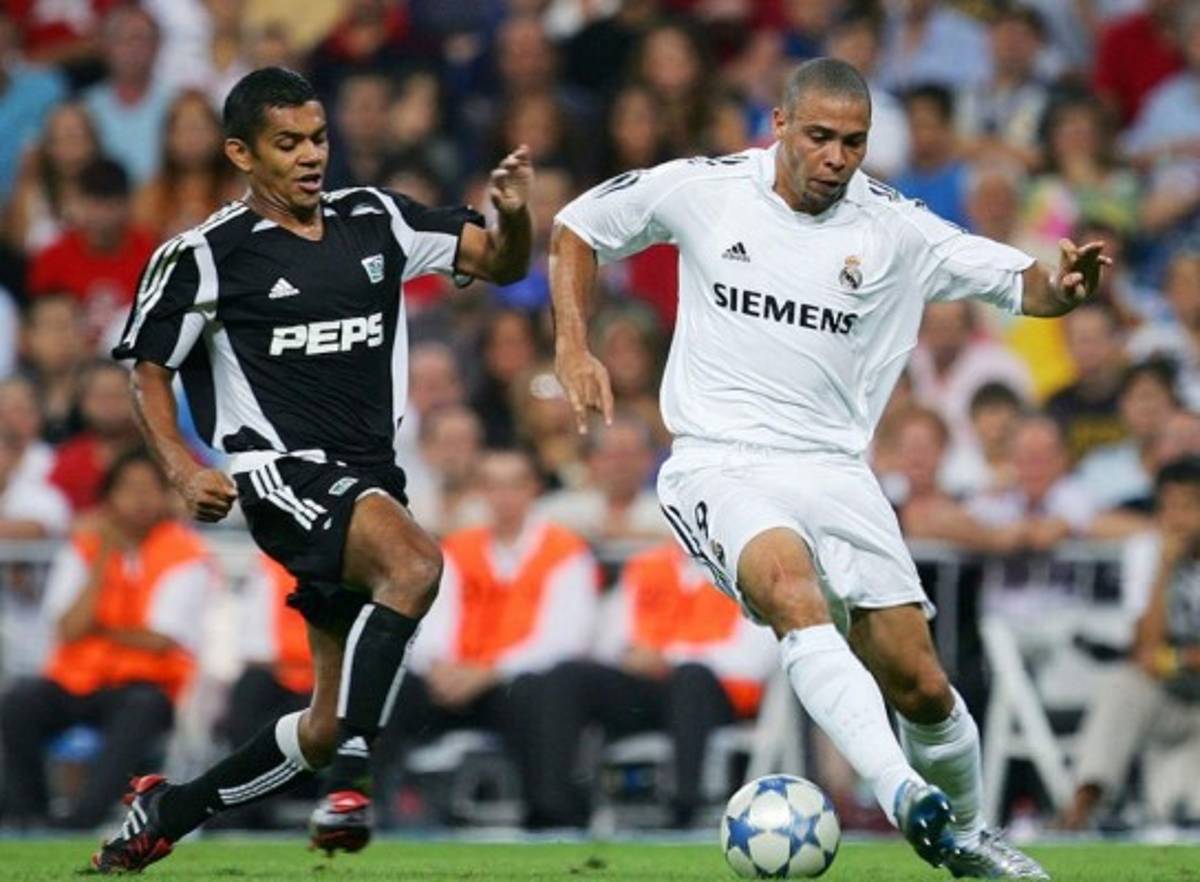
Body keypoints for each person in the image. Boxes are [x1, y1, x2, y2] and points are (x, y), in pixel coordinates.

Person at [550, 57, 1111, 879]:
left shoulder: (893, 227)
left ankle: (970, 831)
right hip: (720, 460)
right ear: (778, 125)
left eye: (853, 142)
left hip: (836, 471)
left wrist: (1064, 285)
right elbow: (577, 227)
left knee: (920, 685)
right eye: (819, 137)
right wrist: (572, 344)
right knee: (791, 593)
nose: (837, 158)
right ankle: (901, 796)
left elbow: (1023, 285)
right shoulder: (706, 189)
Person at [91, 66, 532, 873]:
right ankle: (356, 785)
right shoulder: (204, 257)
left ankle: (171, 808)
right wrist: (185, 469)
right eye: (287, 143)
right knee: (417, 563)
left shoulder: (378, 220)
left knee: (321, 723)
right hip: (280, 476)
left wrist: (517, 219)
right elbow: (146, 368)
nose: (310, 156)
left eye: (318, 138)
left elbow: (500, 264)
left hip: (369, 483)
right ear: (242, 154)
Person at [0, 450, 214, 829]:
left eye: (148, 489)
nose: (138, 500)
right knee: (19, 701)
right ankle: (28, 816)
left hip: (144, 685)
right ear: (108, 497)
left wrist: (100, 629)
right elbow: (67, 628)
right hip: (77, 680)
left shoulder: (186, 553)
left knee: (140, 707)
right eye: (127, 489)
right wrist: (103, 561)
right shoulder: (83, 548)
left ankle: (83, 819)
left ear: (165, 496)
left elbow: (160, 640)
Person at [525, 540, 777, 829]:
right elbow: (608, 639)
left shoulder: (747, 569)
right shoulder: (646, 566)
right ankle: (556, 808)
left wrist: (668, 656)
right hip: (649, 689)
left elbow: (753, 659)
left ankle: (685, 807)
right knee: (569, 676)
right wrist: (632, 655)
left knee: (691, 678)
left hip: (720, 694)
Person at [1063, 457, 1200, 829]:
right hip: (1167, 696)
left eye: (1188, 506)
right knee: (1122, 683)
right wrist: (1164, 570)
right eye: (1168, 507)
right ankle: (1083, 803)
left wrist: (1176, 659)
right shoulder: (1147, 551)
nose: (1177, 519)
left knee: (1178, 812)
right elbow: (1145, 649)